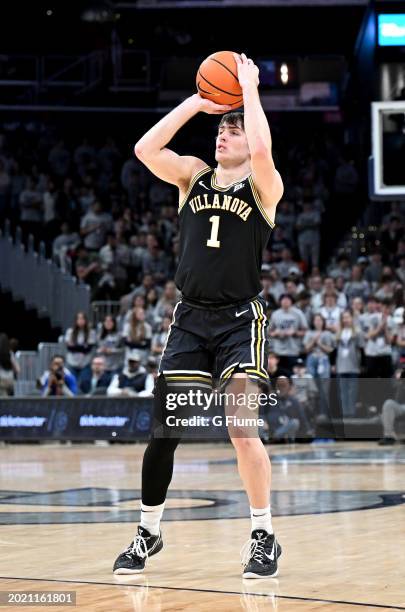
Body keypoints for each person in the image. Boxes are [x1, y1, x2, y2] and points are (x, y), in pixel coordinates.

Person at [112, 53, 284, 579]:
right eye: (221, 129)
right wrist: (197, 102)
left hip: (240, 321)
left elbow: (260, 147)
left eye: (231, 129)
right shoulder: (192, 177)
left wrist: (249, 91)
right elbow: (145, 149)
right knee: (165, 433)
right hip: (189, 320)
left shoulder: (264, 188)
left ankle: (263, 534)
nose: (223, 135)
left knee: (242, 428)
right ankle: (148, 531)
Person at [64, 311, 97, 388]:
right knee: (71, 383)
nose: (80, 321)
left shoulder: (91, 332)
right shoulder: (70, 331)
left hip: (85, 363)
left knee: (85, 383)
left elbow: (88, 349)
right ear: (75, 321)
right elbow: (69, 348)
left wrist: (75, 346)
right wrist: (82, 347)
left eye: (82, 318)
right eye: (78, 319)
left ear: (85, 320)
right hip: (72, 362)